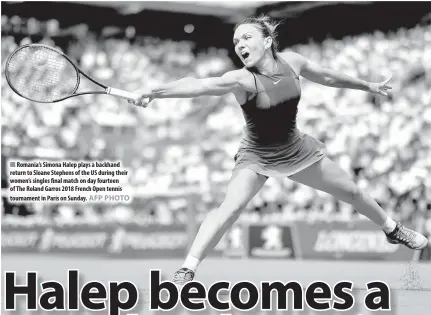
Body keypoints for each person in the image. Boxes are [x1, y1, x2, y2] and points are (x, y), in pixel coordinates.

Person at [129, 15, 428, 286]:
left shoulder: (292, 62)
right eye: (236, 41)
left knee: (351, 192)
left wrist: (368, 86)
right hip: (257, 155)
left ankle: (392, 229)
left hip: (297, 150)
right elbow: (197, 84)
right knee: (230, 208)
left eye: (246, 37)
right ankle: (188, 268)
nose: (239, 45)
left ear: (267, 41)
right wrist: (153, 92)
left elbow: (326, 76)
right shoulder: (242, 79)